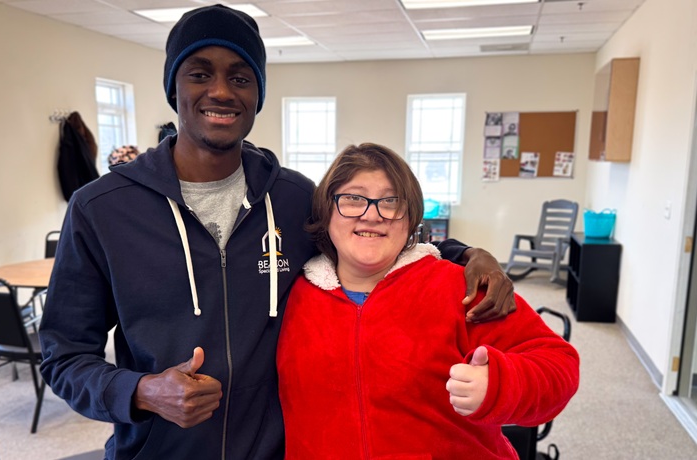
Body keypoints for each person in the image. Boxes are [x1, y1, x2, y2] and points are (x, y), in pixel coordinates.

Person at [39, 5, 516, 459]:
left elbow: (372, 233)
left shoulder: (291, 197)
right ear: (174, 88)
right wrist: (140, 391)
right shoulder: (101, 209)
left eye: (240, 77)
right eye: (200, 73)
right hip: (157, 451)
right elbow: (63, 357)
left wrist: (468, 254)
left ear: (257, 95)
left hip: (277, 451)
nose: (221, 91)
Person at [276, 143, 580, 459]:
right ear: (327, 211)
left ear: (410, 219)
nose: (372, 214)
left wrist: (501, 383)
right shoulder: (288, 296)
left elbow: (559, 365)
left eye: (391, 201)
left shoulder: (459, 287)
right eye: (353, 198)